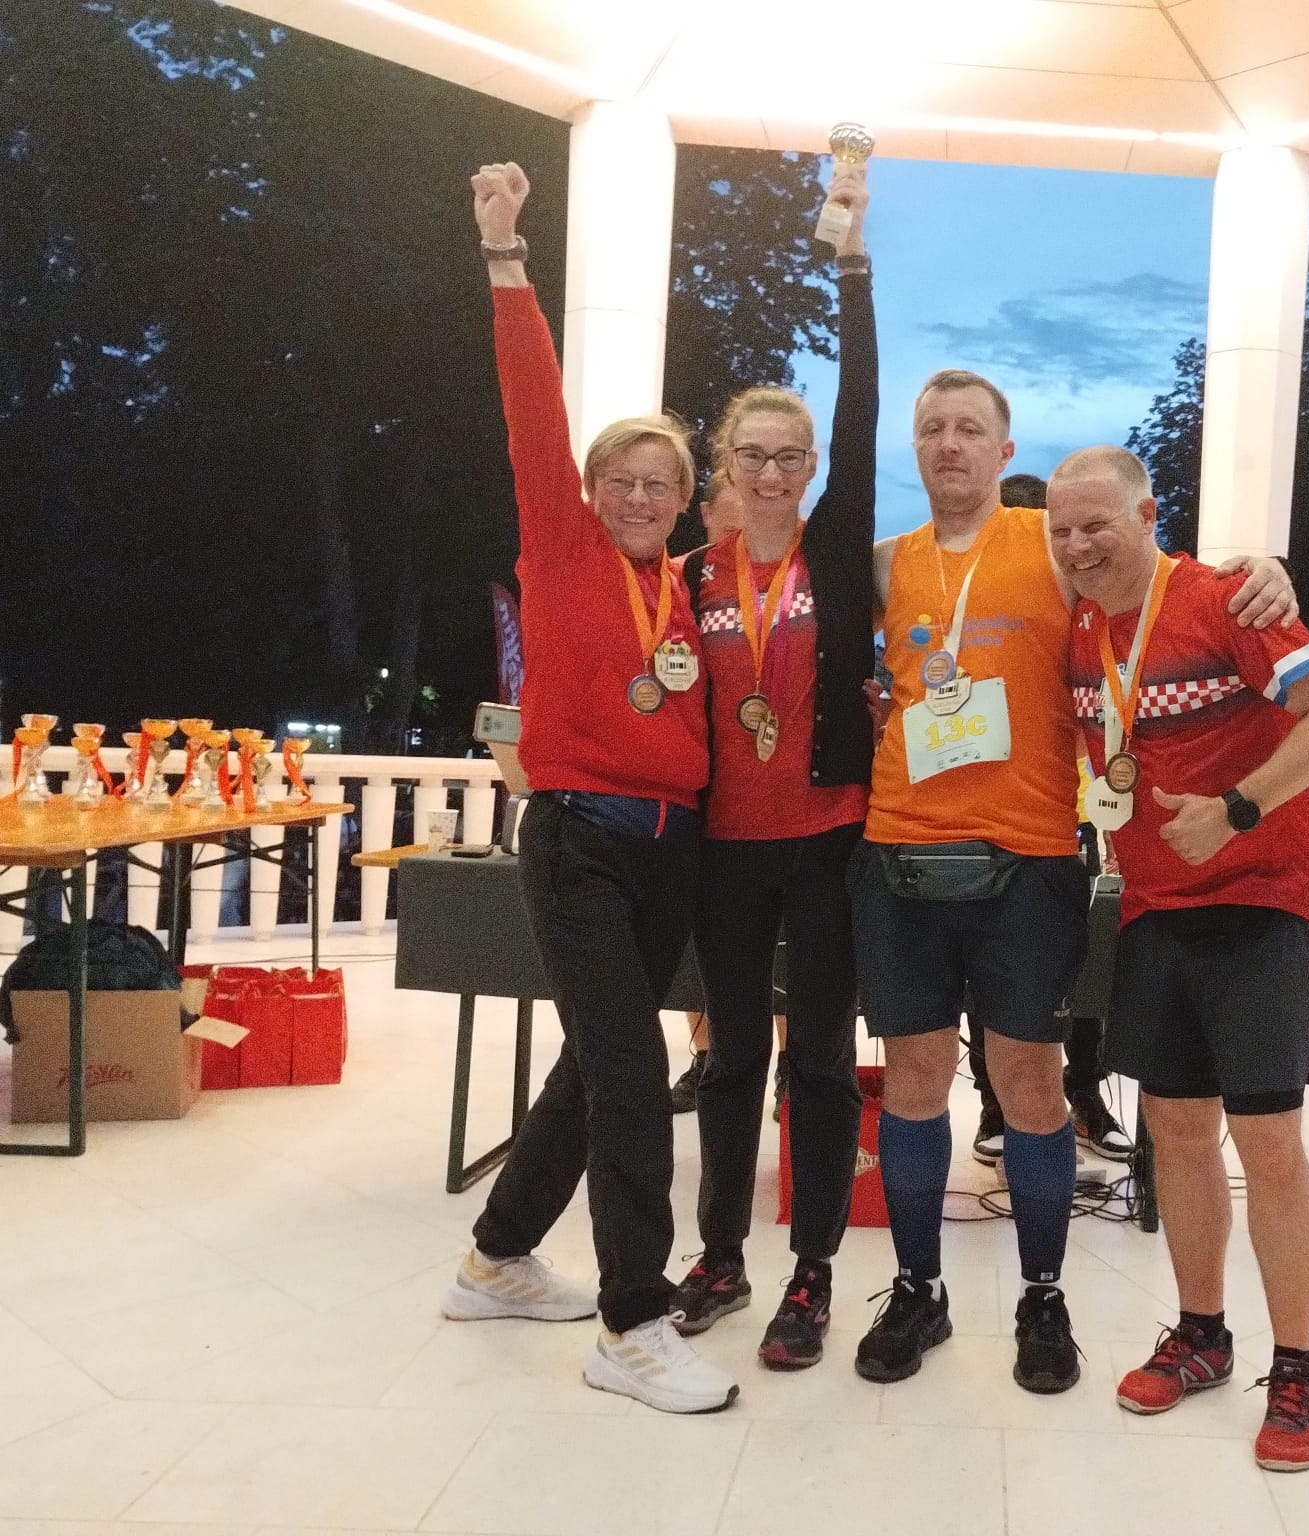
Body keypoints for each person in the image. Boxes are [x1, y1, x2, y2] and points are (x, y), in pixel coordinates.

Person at [849, 369, 1296, 1393]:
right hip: (899, 851)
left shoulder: (1052, 551)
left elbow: (1162, 575)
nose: (949, 443)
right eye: (932, 428)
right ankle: (918, 1289)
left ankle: (1042, 1297)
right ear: (915, 449)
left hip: (1029, 859)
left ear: (1004, 451)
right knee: (913, 1079)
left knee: (1031, 1083)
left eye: (970, 428)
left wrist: (1263, 570)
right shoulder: (884, 565)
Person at [440, 161, 735, 1416]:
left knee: (593, 1065)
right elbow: (529, 404)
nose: (638, 495)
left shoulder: (694, 588)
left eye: (660, 482)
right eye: (621, 476)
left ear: (686, 501)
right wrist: (506, 257)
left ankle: (495, 1258)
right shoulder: (562, 549)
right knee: (629, 1078)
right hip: (580, 841)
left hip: (674, 852)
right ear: (591, 489)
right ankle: (631, 1324)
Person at [1046, 446, 1309, 1472]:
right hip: (1156, 908)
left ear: (1149, 516)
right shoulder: (1079, 631)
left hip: (1263, 899)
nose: (1078, 545)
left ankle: (1298, 1366)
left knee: (1267, 1140)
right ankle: (1200, 1335)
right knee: (1176, 1131)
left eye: (1097, 524)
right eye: (1062, 530)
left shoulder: (1229, 599)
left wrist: (1237, 809)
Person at [669, 161, 877, 1370]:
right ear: (724, 461)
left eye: (791, 455)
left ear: (810, 466)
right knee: (731, 1054)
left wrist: (852, 262)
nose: (771, 471)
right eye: (753, 453)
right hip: (727, 847)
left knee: (820, 1057)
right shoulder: (690, 575)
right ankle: (721, 1254)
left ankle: (813, 1271)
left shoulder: (834, 554)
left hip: (830, 834)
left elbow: (864, 405)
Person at [966, 470, 1132, 1170]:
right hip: (995, 815)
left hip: (1086, 816)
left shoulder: (1089, 604)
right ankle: (994, 1104)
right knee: (990, 977)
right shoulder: (979, 611)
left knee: (1090, 970)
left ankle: (1085, 1094)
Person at [671, 472, 743, 1117]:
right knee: (697, 945)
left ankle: (783, 1068)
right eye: (735, 508)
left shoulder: (799, 574)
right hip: (697, 787)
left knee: (779, 955)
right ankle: (703, 1056)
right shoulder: (679, 577)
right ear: (706, 511)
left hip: (772, 790)